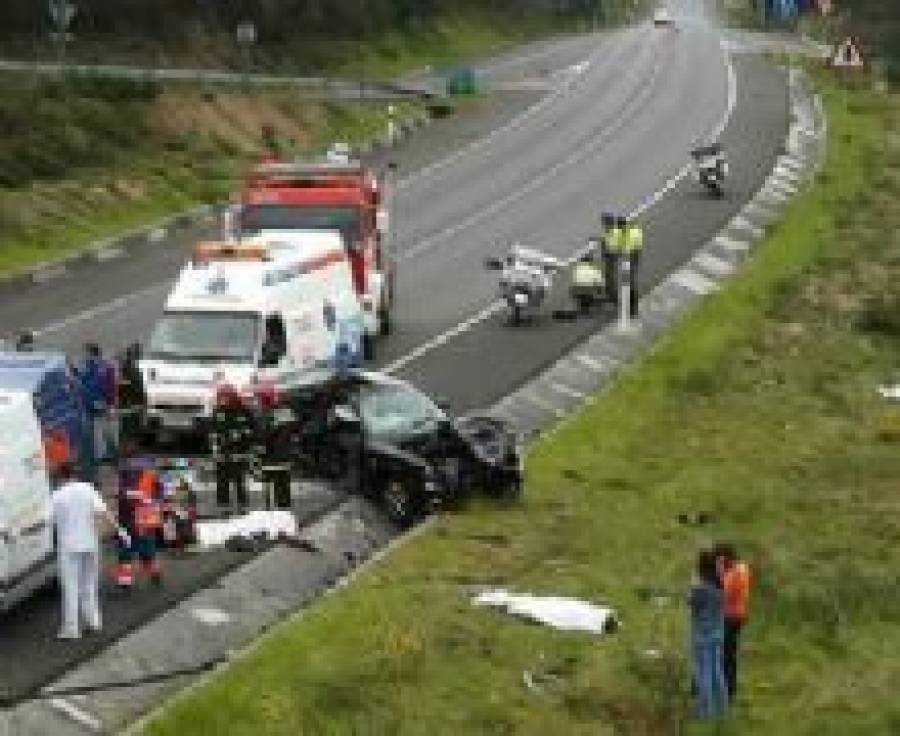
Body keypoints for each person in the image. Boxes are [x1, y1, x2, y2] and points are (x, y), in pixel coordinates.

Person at [50, 461, 129, 640]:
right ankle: (93, 622)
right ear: (74, 474)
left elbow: (45, 520)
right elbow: (104, 512)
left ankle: (71, 629)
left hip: (69, 547)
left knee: (70, 587)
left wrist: (18, 531)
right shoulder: (88, 489)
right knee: (89, 584)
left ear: (60, 477)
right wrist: (120, 530)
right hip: (90, 544)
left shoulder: (57, 495)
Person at [115, 443, 163, 587]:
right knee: (148, 546)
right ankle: (155, 574)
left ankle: (125, 582)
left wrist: (127, 495)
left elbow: (122, 493)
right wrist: (152, 502)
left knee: (126, 548)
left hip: (129, 516)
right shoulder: (150, 470)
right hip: (147, 516)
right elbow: (159, 492)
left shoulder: (126, 470)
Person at [688, 546, 728, 719]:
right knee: (717, 671)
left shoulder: (700, 588)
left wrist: (692, 587)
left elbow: (693, 606)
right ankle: (722, 709)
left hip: (702, 636)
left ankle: (705, 713)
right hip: (718, 633)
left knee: (703, 674)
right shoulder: (720, 584)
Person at [716, 542, 751, 701]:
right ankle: (728, 689)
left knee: (726, 655)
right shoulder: (743, 568)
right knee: (729, 653)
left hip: (730, 616)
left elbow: (724, 594)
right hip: (738, 614)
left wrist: (721, 574)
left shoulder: (734, 572)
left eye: (720, 559)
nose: (719, 562)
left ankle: (728, 691)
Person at [210, 384, 253, 510]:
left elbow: (252, 429)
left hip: (239, 452)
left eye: (225, 397)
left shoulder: (243, 411)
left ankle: (242, 505)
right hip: (222, 452)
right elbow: (212, 430)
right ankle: (223, 506)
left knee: (240, 480)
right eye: (221, 398)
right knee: (222, 481)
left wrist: (240, 436)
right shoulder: (218, 411)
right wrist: (214, 447)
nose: (222, 401)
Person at [78, 343, 119, 471]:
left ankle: (113, 456)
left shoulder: (106, 367)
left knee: (106, 431)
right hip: (88, 404)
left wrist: (111, 405)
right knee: (91, 432)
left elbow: (111, 387)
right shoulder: (88, 366)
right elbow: (83, 381)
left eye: (86, 353)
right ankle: (94, 458)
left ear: (92, 353)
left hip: (101, 404)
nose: (84, 355)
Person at [622, 217, 644, 318]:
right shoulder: (637, 231)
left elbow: (628, 247)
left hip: (632, 255)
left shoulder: (631, 234)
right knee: (631, 281)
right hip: (635, 254)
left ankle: (632, 308)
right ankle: (632, 308)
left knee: (629, 282)